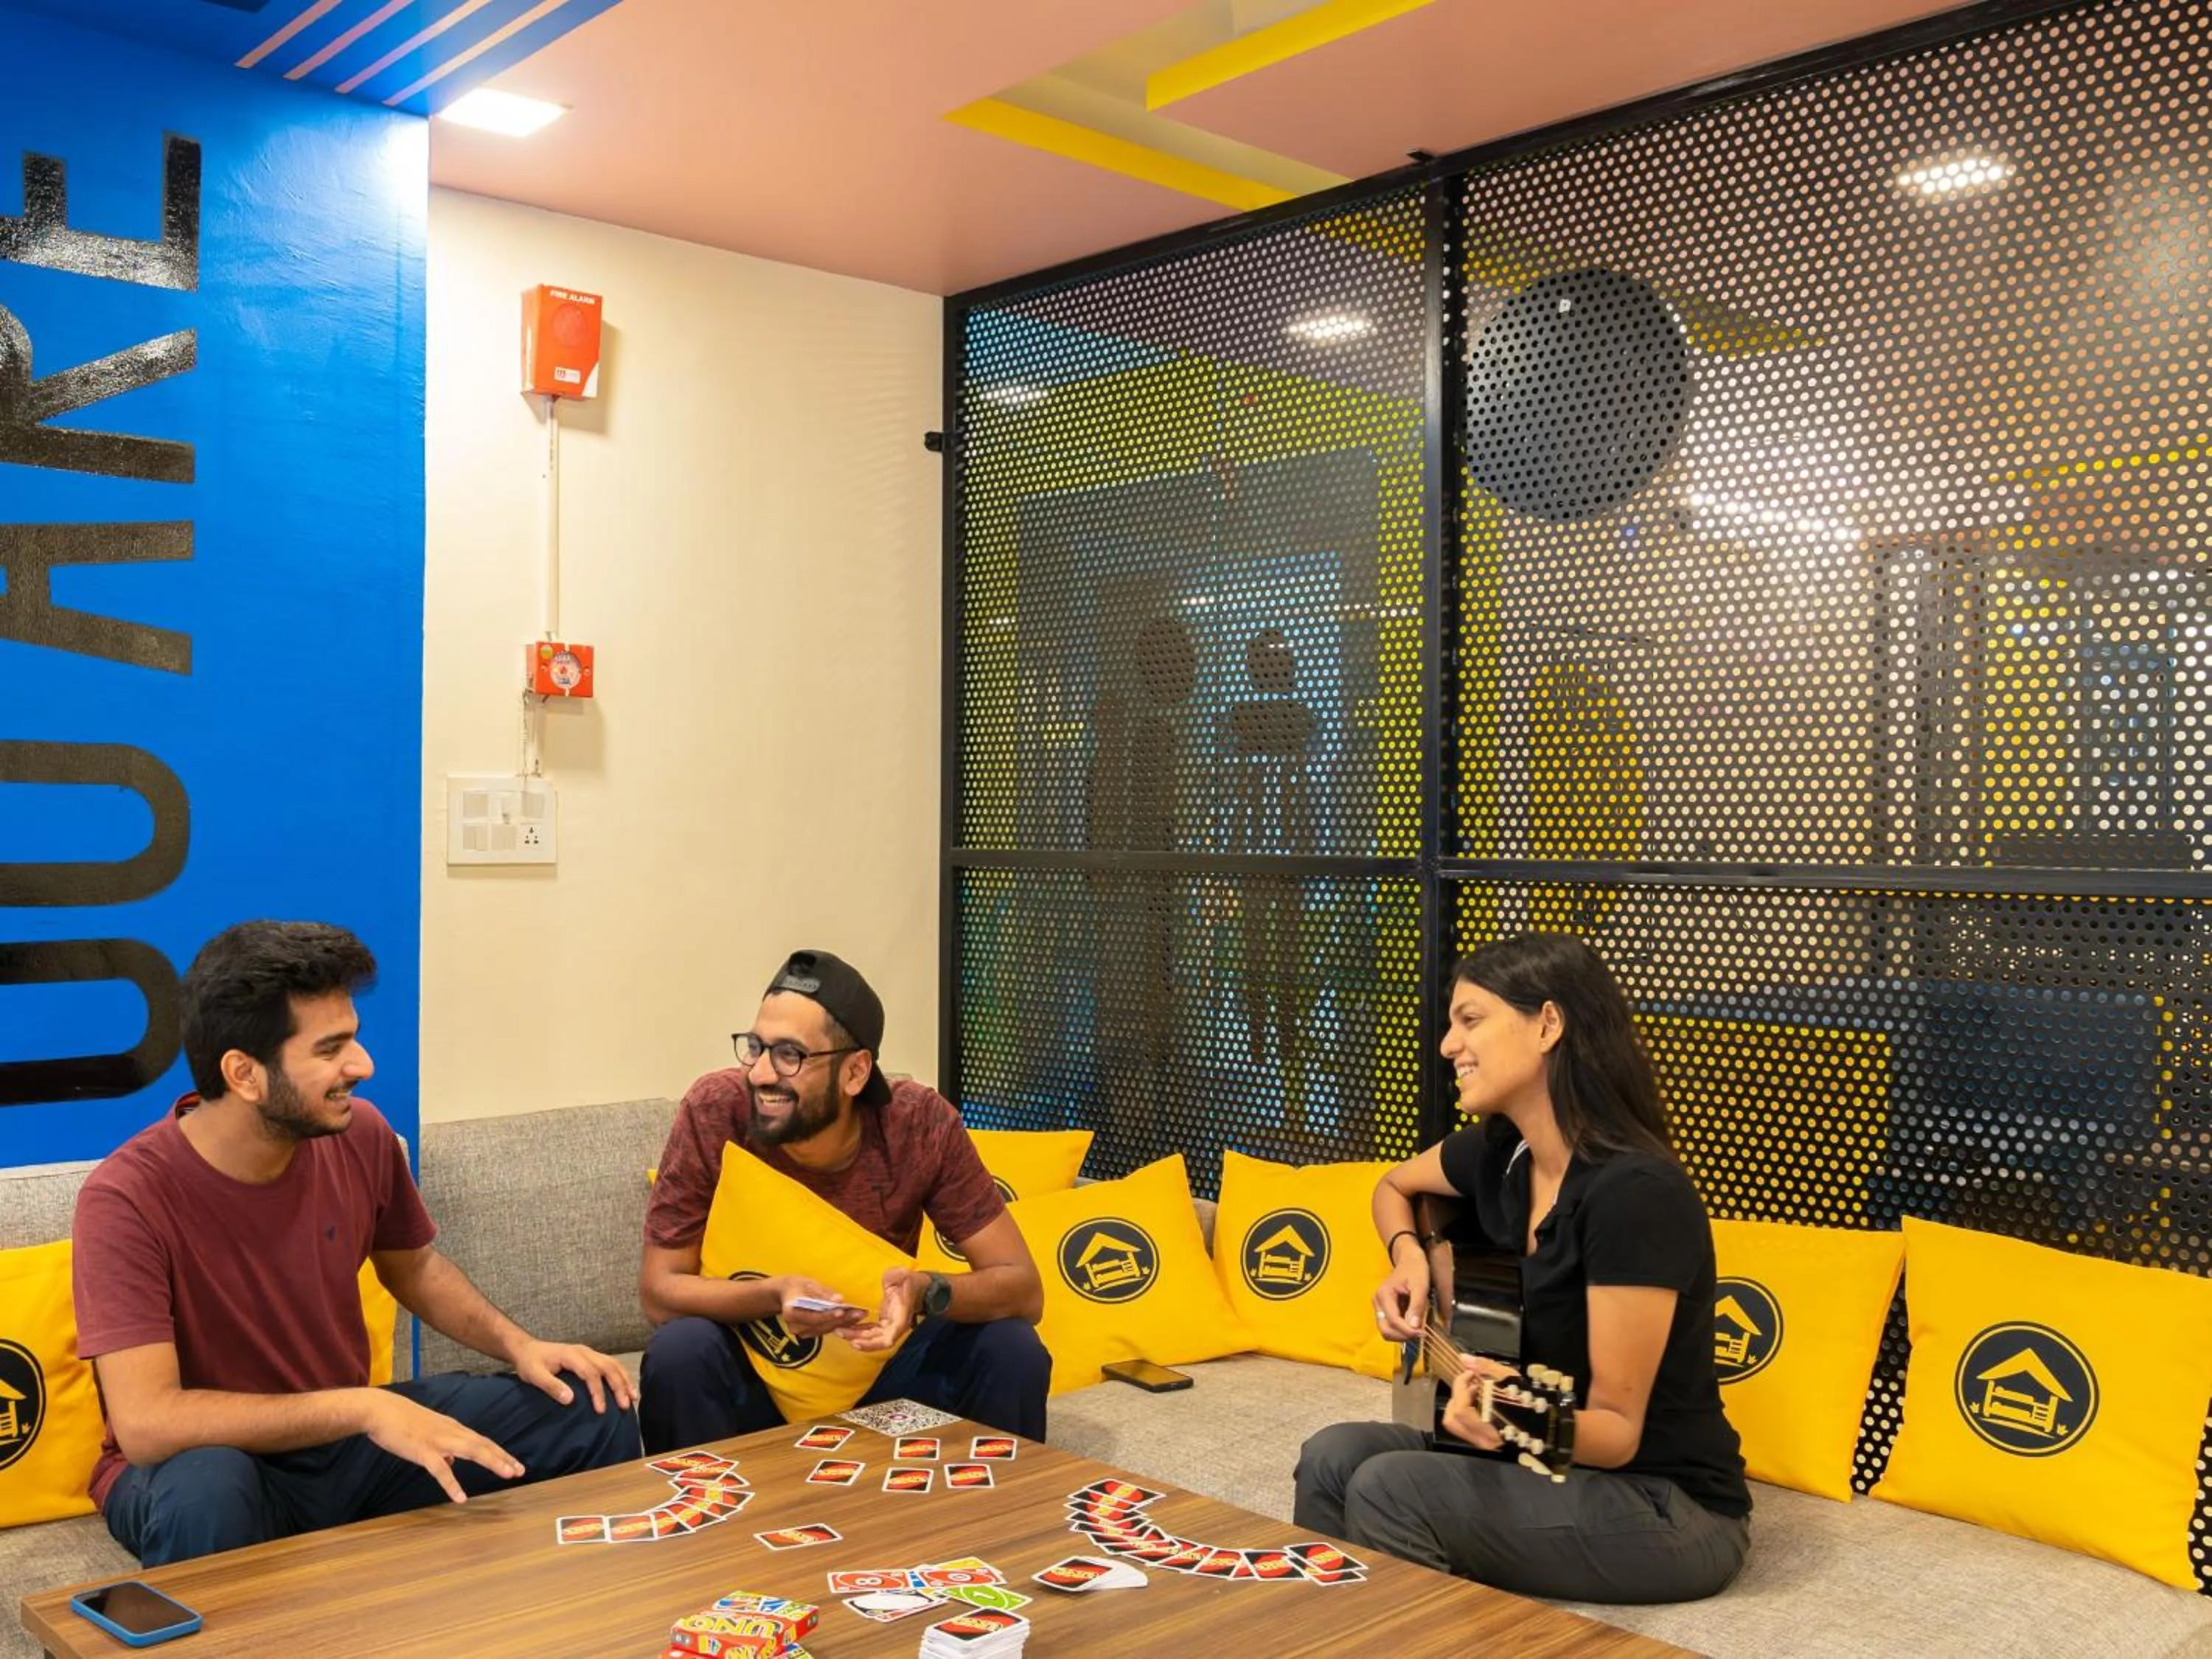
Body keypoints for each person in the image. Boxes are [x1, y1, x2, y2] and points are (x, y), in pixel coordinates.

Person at [73, 922, 640, 1569]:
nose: (362, 1067)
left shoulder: (360, 1135)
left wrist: (524, 1347)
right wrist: (365, 1407)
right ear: (244, 1074)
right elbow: (149, 1425)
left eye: (355, 1040)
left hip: (346, 1445)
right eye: (330, 1049)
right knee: (208, 1490)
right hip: (209, 1468)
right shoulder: (125, 1198)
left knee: (592, 1404)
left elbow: (416, 1266)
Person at [1293, 933, 1750, 1604]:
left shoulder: (1636, 1195)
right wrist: (1408, 1257)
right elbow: (1392, 1187)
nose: (1448, 1045)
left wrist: (1512, 1415)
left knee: (1390, 1490)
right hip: (1547, 1465)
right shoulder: (1502, 1153)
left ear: (1548, 1024)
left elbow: (1618, 1435)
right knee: (1331, 1458)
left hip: (1664, 1504)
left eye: (1470, 1020)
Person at [638, 949, 1048, 1452]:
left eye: (790, 1055)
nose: (761, 1074)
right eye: (755, 1047)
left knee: (1010, 1348)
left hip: (885, 1380)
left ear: (856, 1073)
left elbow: (1024, 1291)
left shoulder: (918, 1125)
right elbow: (660, 1292)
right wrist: (774, 1294)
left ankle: (994, 1527)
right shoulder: (715, 1110)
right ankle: (707, 1527)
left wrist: (923, 1293)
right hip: (758, 1377)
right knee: (681, 1350)